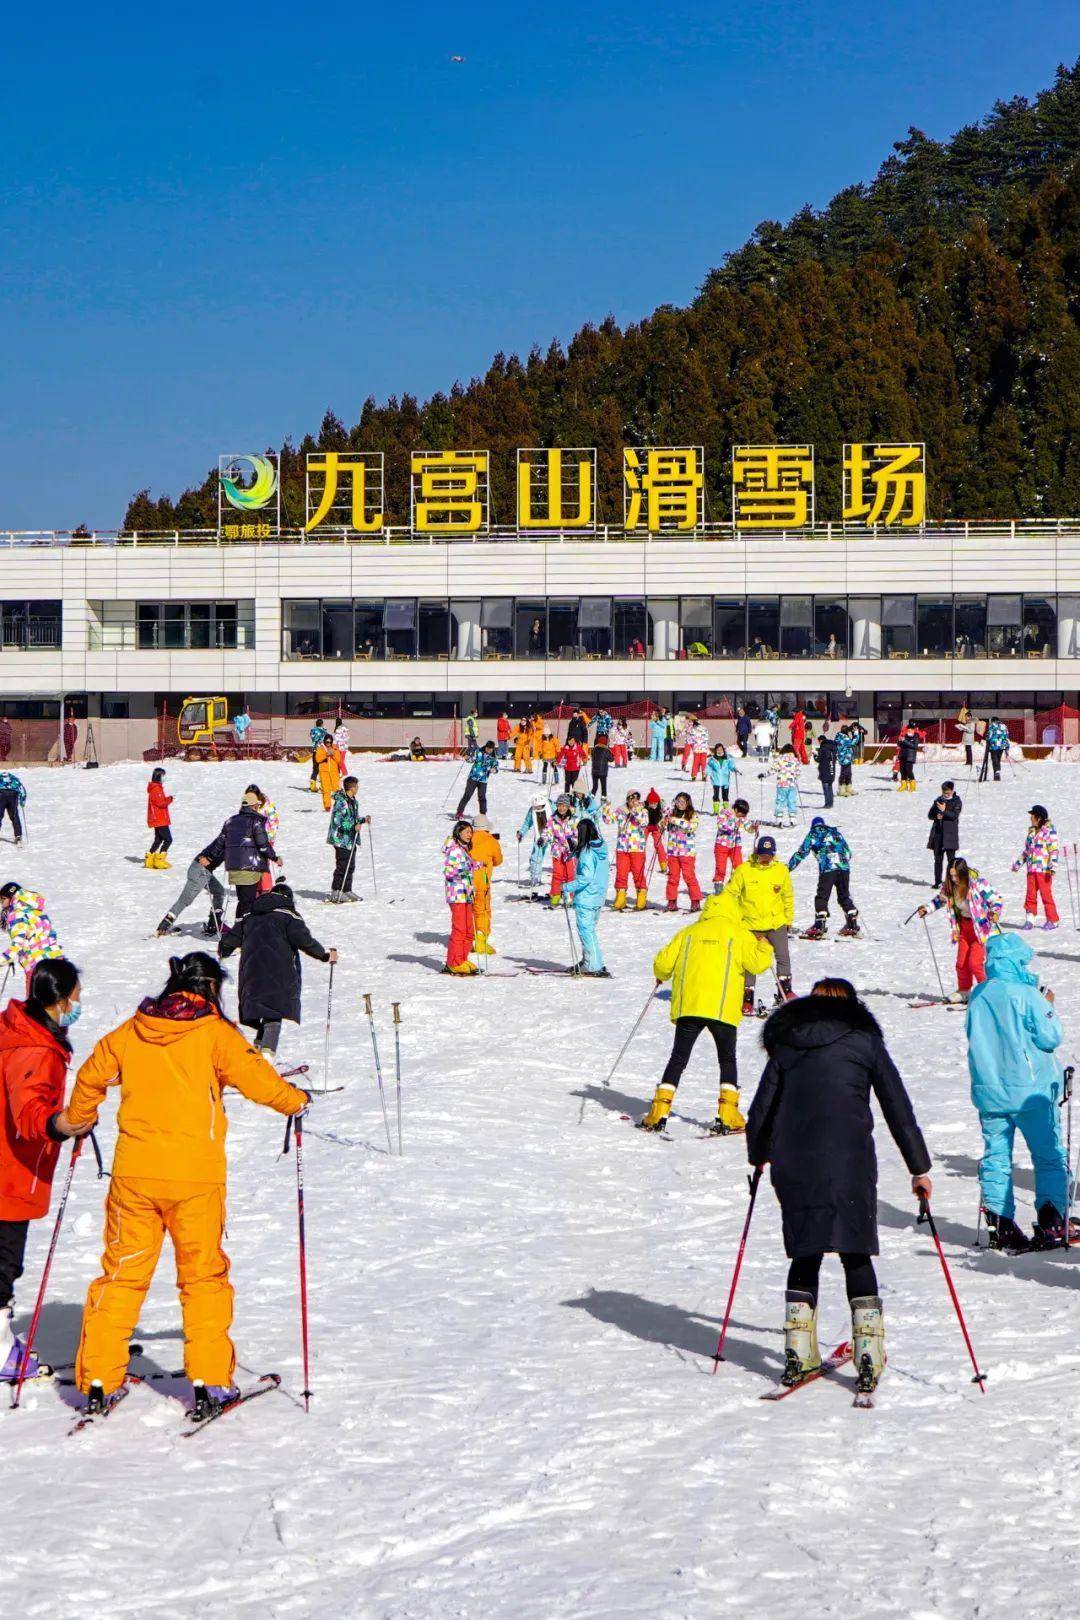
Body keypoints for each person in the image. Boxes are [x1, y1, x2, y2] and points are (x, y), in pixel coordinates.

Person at [54, 952, 308, 1417]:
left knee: (122, 1276)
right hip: (195, 1179)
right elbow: (256, 1079)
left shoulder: (132, 1030)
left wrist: (79, 1119)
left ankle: (97, 1378)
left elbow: (91, 1075)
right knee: (203, 1279)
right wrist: (295, 1102)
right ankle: (211, 1382)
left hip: (134, 1177)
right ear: (212, 987)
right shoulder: (214, 1033)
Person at [747, 978, 932, 1391]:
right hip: (849, 1159)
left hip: (793, 1161)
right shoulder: (865, 1042)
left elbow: (762, 1108)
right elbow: (898, 1109)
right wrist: (918, 1168)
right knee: (855, 1250)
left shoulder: (787, 1044)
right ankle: (869, 1353)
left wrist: (757, 1156)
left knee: (806, 1250)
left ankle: (798, 1350)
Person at [0, 957, 83, 1382]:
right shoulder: (32, 1047)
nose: (78, 1004)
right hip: (10, 1171)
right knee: (3, 1262)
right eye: (76, 996)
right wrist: (62, 1123)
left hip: (10, 1166)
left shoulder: (18, 1030)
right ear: (59, 999)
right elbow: (29, 1115)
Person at [966, 933, 1074, 1252]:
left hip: (990, 1089)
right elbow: (1050, 1037)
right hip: (1029, 1090)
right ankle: (1053, 1218)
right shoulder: (1027, 994)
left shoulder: (979, 994)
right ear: (1015, 961)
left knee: (996, 1157)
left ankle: (1000, 1223)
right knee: (1049, 1155)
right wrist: (1047, 1005)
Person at [640, 889, 774, 1135]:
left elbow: (663, 964)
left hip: (689, 1007)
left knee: (678, 1058)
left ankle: (660, 1111)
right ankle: (728, 1114)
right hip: (722, 1009)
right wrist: (765, 947)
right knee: (727, 1059)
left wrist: (660, 977)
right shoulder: (739, 934)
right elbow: (756, 964)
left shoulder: (689, 932)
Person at [219, 882, 337, 1057]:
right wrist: (325, 955)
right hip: (279, 974)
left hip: (250, 975)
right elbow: (304, 940)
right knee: (273, 1016)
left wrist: (224, 950)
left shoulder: (249, 916)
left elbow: (227, 943)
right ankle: (266, 1061)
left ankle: (256, 1056)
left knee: (263, 1012)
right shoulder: (289, 917)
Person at [918, 856, 1003, 1001]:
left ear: (963, 873)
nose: (954, 879)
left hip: (980, 930)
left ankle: (989, 992)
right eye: (951, 876)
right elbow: (940, 900)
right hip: (964, 928)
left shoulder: (977, 884)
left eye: (956, 875)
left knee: (975, 963)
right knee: (961, 963)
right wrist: (926, 909)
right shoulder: (950, 886)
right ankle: (964, 991)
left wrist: (994, 911)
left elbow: (996, 899)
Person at [727, 835, 795, 1010]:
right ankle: (747, 998)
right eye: (763, 855)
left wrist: (788, 919)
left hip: (776, 923)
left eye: (769, 855)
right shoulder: (743, 870)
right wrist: (735, 919)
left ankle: (785, 990)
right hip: (750, 925)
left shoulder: (781, 870)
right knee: (750, 961)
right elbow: (730, 895)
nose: (766, 859)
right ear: (757, 853)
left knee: (783, 956)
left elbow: (787, 896)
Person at [788, 816, 859, 939]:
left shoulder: (813, 833)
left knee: (822, 896)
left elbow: (802, 852)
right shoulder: (836, 832)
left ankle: (819, 924)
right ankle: (852, 922)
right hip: (844, 868)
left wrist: (788, 868)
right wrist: (841, 862)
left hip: (827, 868)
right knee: (844, 896)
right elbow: (848, 852)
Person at [156, 829, 229, 939]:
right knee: (185, 900)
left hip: (204, 872)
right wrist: (209, 858)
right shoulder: (226, 838)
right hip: (200, 870)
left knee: (219, 891)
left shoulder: (231, 840)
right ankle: (163, 926)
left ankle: (214, 923)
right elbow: (219, 844)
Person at [222, 789, 280, 919]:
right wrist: (275, 857)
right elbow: (263, 846)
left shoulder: (231, 821)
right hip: (250, 866)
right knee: (248, 903)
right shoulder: (256, 822)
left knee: (243, 902)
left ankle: (239, 929)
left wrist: (209, 858)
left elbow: (221, 843)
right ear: (254, 806)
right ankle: (245, 932)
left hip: (235, 868)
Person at [563, 818, 610, 978]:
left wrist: (567, 887)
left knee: (586, 931)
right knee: (589, 931)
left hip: (586, 898)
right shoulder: (600, 847)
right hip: (597, 897)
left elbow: (586, 877)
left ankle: (592, 964)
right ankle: (590, 961)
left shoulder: (587, 853)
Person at [0, 885, 61, 996]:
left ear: (12, 898)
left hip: (38, 969)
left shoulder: (16, 914)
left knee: (34, 1009)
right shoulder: (36, 912)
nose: (1, 904)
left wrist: (3, 959)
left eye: (3, 899)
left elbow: (17, 944)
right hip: (58, 964)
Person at [1013, 804, 1059, 930]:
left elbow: (1054, 850)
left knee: (1046, 895)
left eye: (1032, 815)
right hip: (1031, 870)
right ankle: (1030, 920)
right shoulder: (1031, 832)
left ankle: (1053, 920)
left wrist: (1053, 866)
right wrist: (1018, 863)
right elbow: (1027, 851)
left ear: (1038, 817)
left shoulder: (1049, 831)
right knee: (1030, 895)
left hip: (1044, 870)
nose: (1030, 818)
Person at [604, 790, 649, 911]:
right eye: (631, 798)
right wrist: (607, 807)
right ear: (627, 799)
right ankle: (620, 898)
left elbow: (644, 823)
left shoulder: (643, 811)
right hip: (622, 848)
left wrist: (635, 810)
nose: (634, 800)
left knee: (637, 873)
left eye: (636, 798)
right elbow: (608, 820)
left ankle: (641, 898)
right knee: (621, 873)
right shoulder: (621, 810)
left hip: (637, 848)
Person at [443, 821, 478, 975]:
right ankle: (453, 962)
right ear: (459, 833)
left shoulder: (463, 850)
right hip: (457, 895)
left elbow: (465, 866)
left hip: (467, 894)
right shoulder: (455, 851)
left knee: (469, 929)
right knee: (460, 929)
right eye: (466, 832)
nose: (469, 835)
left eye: (471, 832)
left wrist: (478, 864)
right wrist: (464, 871)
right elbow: (449, 872)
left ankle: (462, 958)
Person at [326, 776, 369, 902]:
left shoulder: (353, 801)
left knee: (350, 865)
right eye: (356, 786)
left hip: (351, 839)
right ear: (351, 788)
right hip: (341, 839)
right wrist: (352, 826)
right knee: (342, 865)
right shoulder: (341, 802)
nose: (358, 788)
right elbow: (337, 821)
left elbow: (352, 818)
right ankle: (336, 891)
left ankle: (347, 889)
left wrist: (363, 820)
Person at [662, 792, 702, 913]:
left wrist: (674, 820)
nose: (679, 804)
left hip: (686, 852)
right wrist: (664, 823)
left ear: (687, 803)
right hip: (673, 851)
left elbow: (690, 827)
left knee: (689, 876)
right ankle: (671, 901)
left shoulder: (692, 815)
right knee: (672, 877)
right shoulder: (672, 814)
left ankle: (695, 901)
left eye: (682, 802)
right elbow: (663, 826)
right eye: (677, 801)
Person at [470, 815, 503, 955]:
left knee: (469, 910)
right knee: (482, 910)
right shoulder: (491, 841)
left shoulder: (467, 838)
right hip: (482, 881)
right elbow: (498, 860)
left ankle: (469, 938)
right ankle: (481, 940)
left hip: (466, 882)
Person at [927, 781, 962, 887]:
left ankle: (951, 882)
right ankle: (937, 881)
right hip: (938, 834)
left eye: (947, 793)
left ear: (952, 791)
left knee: (951, 861)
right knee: (938, 859)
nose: (945, 794)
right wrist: (936, 815)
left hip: (950, 835)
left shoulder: (957, 801)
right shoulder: (938, 800)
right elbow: (930, 814)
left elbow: (954, 815)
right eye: (944, 792)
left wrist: (944, 810)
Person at [518, 793, 552, 898]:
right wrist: (521, 833)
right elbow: (527, 823)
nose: (537, 808)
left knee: (559, 856)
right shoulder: (532, 811)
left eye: (539, 807)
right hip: (539, 835)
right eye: (536, 807)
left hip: (554, 833)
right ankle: (535, 878)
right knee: (535, 857)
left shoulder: (551, 806)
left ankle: (563, 878)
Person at [713, 798, 751, 891]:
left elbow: (747, 825)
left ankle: (738, 885)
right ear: (736, 810)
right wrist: (734, 823)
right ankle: (718, 885)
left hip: (735, 845)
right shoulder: (724, 813)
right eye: (742, 814)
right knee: (721, 867)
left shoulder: (741, 817)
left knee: (738, 865)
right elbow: (722, 825)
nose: (742, 817)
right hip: (722, 844)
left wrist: (753, 827)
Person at [455, 740, 499, 819]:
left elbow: (496, 767)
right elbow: (472, 759)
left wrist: (494, 770)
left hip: (483, 780)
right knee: (467, 795)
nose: (489, 750)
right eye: (487, 748)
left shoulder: (493, 757)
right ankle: (459, 812)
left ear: (493, 749)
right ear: (485, 747)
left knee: (482, 797)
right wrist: (467, 758)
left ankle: (483, 815)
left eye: (490, 749)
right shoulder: (478, 752)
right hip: (473, 777)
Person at [549, 795, 578, 905]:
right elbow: (548, 831)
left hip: (569, 851)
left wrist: (573, 843)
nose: (561, 808)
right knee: (557, 874)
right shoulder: (553, 819)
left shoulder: (573, 819)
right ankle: (555, 895)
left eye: (564, 806)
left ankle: (570, 896)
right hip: (557, 850)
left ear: (568, 806)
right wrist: (543, 838)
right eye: (559, 806)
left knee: (570, 874)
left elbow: (577, 833)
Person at [145, 766, 173, 869]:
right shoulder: (156, 788)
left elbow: (158, 801)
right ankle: (159, 860)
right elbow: (161, 803)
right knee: (168, 839)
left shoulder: (155, 788)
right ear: (158, 777)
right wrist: (170, 799)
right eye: (163, 776)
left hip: (157, 818)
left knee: (158, 839)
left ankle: (150, 858)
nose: (164, 778)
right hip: (160, 819)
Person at [769, 744, 800, 827]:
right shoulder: (795, 760)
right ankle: (792, 820)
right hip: (792, 785)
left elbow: (773, 770)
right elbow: (798, 772)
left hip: (782, 784)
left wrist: (764, 775)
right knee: (792, 801)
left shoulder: (779, 759)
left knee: (780, 801)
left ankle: (779, 820)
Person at [644, 788, 667, 875]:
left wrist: (665, 821)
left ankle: (663, 865)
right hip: (646, 826)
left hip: (656, 827)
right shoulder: (644, 806)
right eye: (651, 803)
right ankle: (638, 863)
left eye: (655, 803)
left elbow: (667, 814)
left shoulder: (661, 806)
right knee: (641, 843)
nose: (653, 805)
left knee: (658, 845)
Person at [706, 743, 736, 811]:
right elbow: (708, 766)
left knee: (725, 796)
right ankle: (716, 810)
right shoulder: (712, 759)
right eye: (718, 750)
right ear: (715, 750)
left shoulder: (728, 758)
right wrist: (707, 773)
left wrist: (733, 768)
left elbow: (731, 766)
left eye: (721, 749)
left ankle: (726, 810)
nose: (719, 751)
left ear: (723, 750)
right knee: (716, 796)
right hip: (716, 780)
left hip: (725, 780)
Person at [314, 737, 340, 812]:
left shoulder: (335, 748)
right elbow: (318, 759)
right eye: (326, 742)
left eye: (329, 742)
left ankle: (339, 804)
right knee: (326, 789)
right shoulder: (320, 749)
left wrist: (333, 754)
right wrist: (326, 754)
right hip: (324, 772)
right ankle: (327, 806)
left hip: (334, 771)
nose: (328, 744)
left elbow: (338, 760)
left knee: (336, 789)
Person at [0, 770, 26, 845]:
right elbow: (22, 789)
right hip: (13, 795)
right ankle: (18, 835)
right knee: (14, 816)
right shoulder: (14, 779)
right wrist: (22, 801)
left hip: (1, 795)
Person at [981, 716, 1010, 782]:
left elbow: (989, 736)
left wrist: (987, 738)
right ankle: (997, 772)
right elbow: (1007, 736)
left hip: (994, 746)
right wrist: (1007, 747)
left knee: (994, 759)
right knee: (998, 759)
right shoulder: (1004, 726)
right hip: (1002, 746)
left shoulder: (992, 726)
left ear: (993, 721)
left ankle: (996, 772)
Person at [815, 728, 836, 810]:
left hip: (824, 771)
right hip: (831, 771)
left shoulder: (823, 748)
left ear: (821, 741)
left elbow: (818, 759)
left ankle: (827, 804)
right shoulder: (832, 748)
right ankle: (830, 803)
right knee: (830, 788)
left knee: (826, 788)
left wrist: (815, 755)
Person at [896, 723, 920, 791]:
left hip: (910, 757)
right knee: (902, 771)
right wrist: (900, 741)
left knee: (909, 770)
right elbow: (900, 745)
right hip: (903, 755)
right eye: (908, 729)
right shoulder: (905, 736)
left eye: (911, 729)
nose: (909, 730)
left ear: (913, 730)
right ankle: (904, 785)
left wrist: (904, 741)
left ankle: (912, 785)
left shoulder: (915, 737)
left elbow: (914, 746)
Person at [835, 725, 857, 796]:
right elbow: (853, 742)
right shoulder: (844, 738)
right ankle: (842, 790)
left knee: (848, 773)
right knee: (844, 773)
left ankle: (848, 788)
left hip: (845, 758)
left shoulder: (839, 737)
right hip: (845, 758)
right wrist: (856, 733)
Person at [308, 718, 328, 791]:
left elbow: (312, 738)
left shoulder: (312, 730)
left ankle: (312, 786)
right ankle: (323, 786)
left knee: (315, 768)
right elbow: (327, 740)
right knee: (322, 768)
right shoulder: (324, 731)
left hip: (315, 750)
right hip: (322, 751)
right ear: (322, 724)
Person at [590, 735, 612, 800]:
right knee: (603, 786)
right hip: (603, 772)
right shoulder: (606, 750)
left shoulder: (594, 749)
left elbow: (592, 756)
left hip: (594, 771)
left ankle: (591, 797)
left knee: (595, 786)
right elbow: (611, 759)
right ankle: (603, 798)